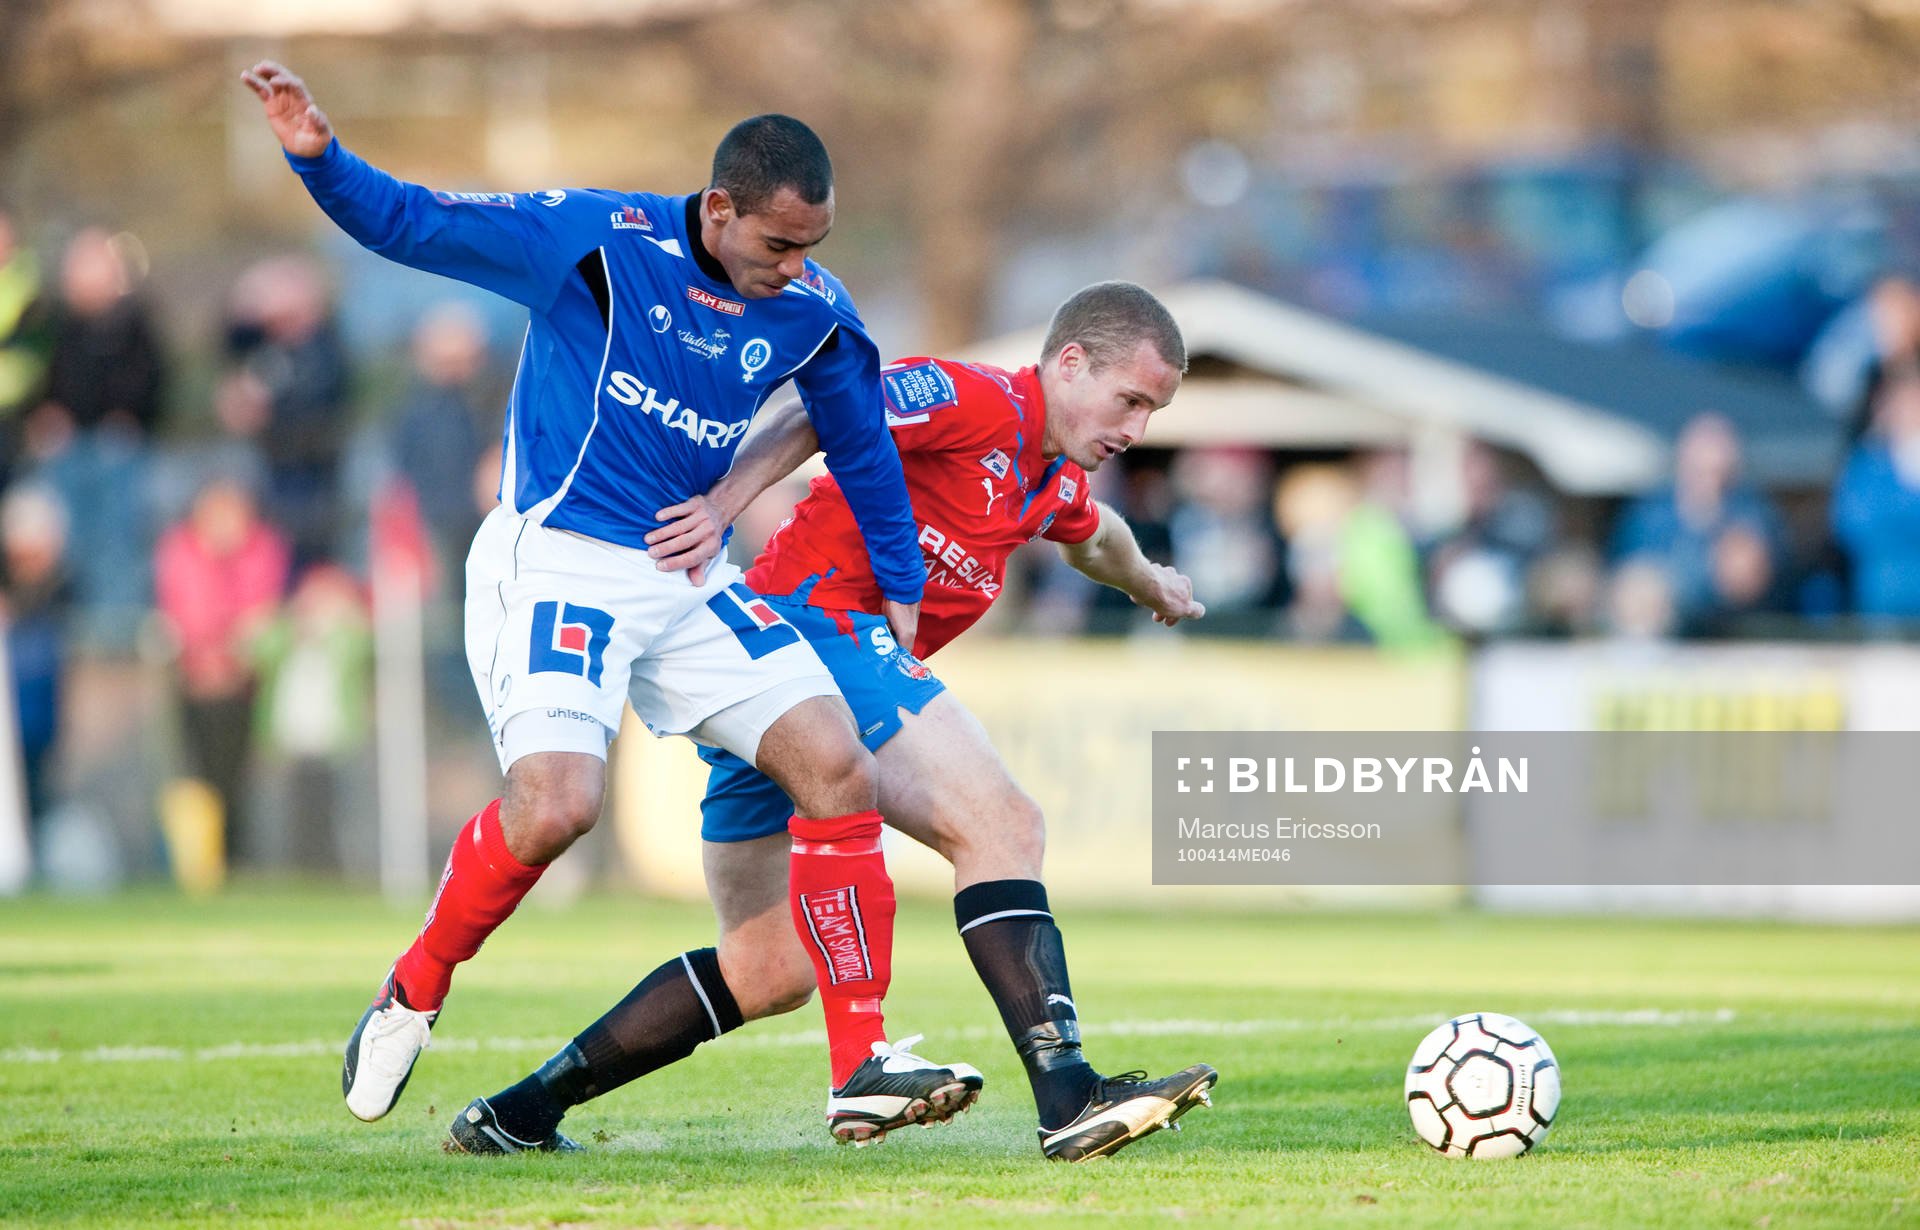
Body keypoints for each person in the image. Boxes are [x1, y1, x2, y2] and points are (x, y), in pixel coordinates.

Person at [236, 63, 976, 1142]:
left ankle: (860, 1063)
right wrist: (319, 159)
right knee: (556, 809)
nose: (796, 267)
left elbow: (857, 436)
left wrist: (901, 581)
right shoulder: (595, 243)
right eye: (777, 244)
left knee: (838, 764)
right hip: (562, 560)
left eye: (812, 245)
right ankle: (414, 989)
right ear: (718, 208)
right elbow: (414, 223)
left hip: (685, 575)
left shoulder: (811, 308)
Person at [451, 282, 1219, 1163]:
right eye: (1131, 399)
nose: (1137, 428)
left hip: (773, 687)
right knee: (1003, 826)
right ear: (1071, 362)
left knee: (768, 967)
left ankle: (517, 1114)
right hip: (815, 629)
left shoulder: (1045, 479)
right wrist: (724, 504)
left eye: (1152, 411)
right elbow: (824, 411)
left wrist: (1151, 581)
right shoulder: (974, 399)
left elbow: (1098, 538)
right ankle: (1070, 1094)